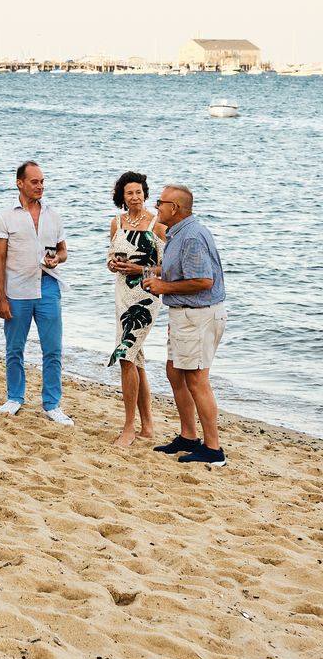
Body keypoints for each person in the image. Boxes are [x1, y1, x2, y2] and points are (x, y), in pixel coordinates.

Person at [147, 184, 228, 467]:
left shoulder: (191, 236)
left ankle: (214, 449)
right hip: (185, 315)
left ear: (175, 208)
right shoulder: (178, 233)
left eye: (160, 202)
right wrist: (148, 274)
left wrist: (163, 286)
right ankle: (188, 436)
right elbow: (181, 270)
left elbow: (204, 281)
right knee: (175, 372)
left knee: (196, 380)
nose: (155, 206)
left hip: (198, 315)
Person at [0, 161, 72, 425]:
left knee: (53, 349)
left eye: (42, 181)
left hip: (48, 286)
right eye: (35, 182)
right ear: (20, 183)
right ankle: (15, 397)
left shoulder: (53, 215)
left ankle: (52, 404)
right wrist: (1, 298)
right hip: (16, 290)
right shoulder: (5, 217)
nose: (40, 186)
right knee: (15, 348)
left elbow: (63, 251)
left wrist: (56, 260)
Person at [107, 171, 165, 448]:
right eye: (130, 193)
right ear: (123, 196)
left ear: (145, 193)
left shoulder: (158, 224)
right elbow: (111, 257)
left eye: (139, 192)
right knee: (136, 358)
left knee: (126, 355)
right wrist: (113, 265)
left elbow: (168, 269)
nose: (135, 197)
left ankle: (129, 427)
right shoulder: (116, 223)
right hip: (122, 295)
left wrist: (139, 268)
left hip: (146, 297)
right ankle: (148, 425)